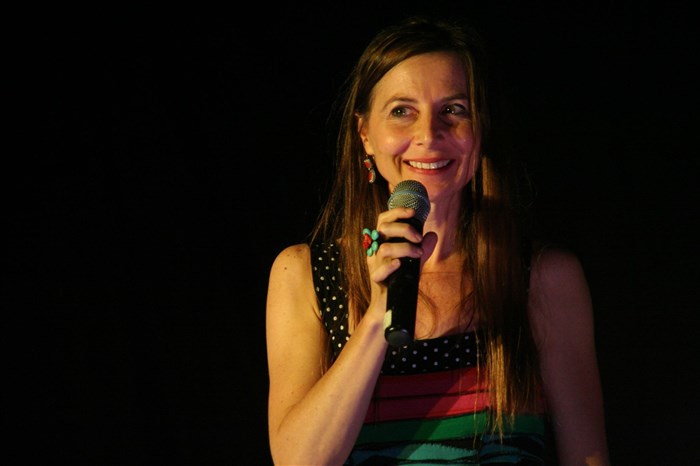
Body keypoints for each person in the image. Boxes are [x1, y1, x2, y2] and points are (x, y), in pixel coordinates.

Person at [265, 14, 610, 465]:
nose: (429, 134)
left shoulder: (542, 278)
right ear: (365, 134)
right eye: (401, 111)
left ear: (480, 129)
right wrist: (378, 315)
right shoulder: (305, 275)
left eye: (454, 110)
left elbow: (588, 456)